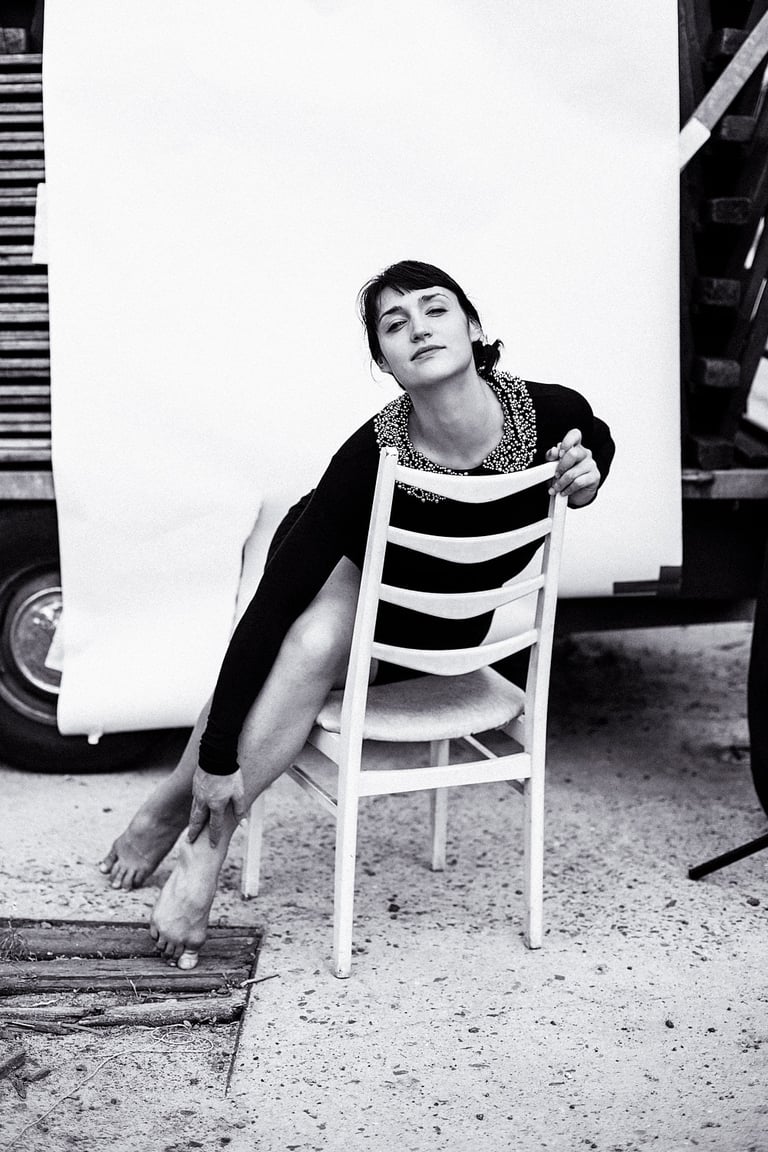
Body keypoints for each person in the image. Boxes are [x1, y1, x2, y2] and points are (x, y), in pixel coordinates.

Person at [100, 260, 615, 968]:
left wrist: (588, 478)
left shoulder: (550, 411)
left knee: (307, 650)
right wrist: (218, 759)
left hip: (444, 628)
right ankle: (204, 846)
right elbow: (271, 608)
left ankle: (167, 802)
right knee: (307, 641)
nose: (419, 329)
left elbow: (596, 438)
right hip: (344, 584)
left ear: (473, 327)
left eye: (435, 310)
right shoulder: (371, 455)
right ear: (387, 364)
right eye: (395, 324)